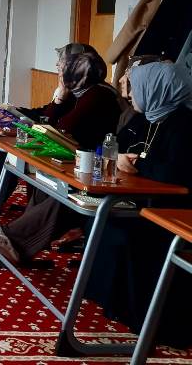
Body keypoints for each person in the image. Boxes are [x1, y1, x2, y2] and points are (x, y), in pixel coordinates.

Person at [0, 50, 122, 265]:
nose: (59, 73)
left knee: (58, 193)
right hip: (80, 162)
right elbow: (49, 121)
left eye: (63, 68)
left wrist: (60, 96)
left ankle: (9, 239)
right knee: (43, 183)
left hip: (95, 169)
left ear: (76, 72)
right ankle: (8, 246)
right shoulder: (82, 92)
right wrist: (59, 98)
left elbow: (59, 127)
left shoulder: (97, 94)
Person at [84, 62, 192, 348]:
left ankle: (145, 317)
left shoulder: (184, 125)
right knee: (101, 221)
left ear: (156, 89)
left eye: (137, 87)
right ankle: (113, 303)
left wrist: (139, 165)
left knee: (128, 234)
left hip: (175, 211)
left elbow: (173, 172)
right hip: (145, 200)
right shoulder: (148, 117)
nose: (131, 94)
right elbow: (114, 145)